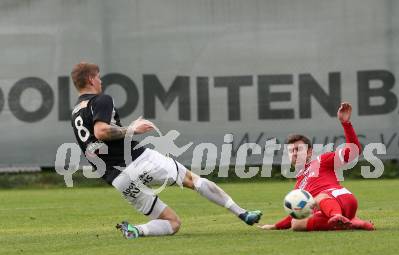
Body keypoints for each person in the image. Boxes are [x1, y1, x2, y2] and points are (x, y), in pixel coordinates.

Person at [70, 62, 262, 239]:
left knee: (173, 223)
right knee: (192, 180)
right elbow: (101, 131)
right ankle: (242, 213)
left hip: (118, 178)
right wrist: (132, 129)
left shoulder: (76, 113)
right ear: (91, 79)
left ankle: (137, 230)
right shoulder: (101, 100)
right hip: (138, 160)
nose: (101, 81)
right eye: (99, 76)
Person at [259, 102, 374, 232]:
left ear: (309, 152)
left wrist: (346, 124)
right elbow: (296, 213)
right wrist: (275, 226)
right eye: (291, 151)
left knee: (319, 198)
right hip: (332, 209)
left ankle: (338, 217)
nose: (295, 153)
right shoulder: (299, 185)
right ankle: (354, 222)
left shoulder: (321, 160)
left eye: (298, 149)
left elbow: (353, 152)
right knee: (297, 223)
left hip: (341, 197)